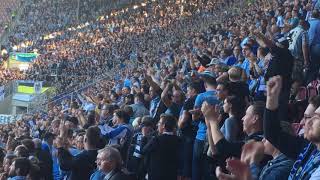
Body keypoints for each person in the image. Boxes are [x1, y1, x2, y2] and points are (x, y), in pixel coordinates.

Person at [264, 75, 320, 179]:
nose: (304, 122)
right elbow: (272, 133)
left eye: (314, 117)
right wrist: (271, 99)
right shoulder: (308, 146)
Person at [142, 114, 180, 180]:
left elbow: (143, 150)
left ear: (163, 126)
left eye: (159, 123)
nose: (157, 125)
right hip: (172, 175)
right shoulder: (179, 140)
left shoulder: (156, 140)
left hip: (155, 175)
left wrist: (144, 136)